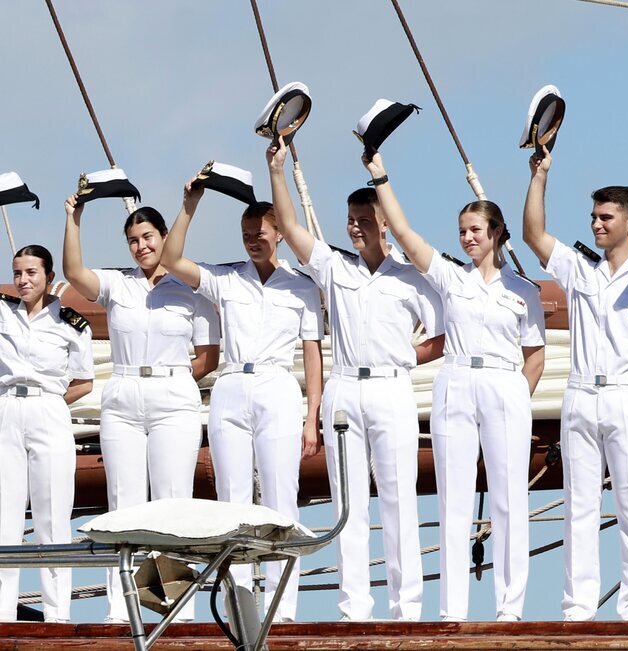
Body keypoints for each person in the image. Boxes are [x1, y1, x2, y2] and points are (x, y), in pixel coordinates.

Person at [266, 137, 444, 621]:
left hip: (391, 388)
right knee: (348, 506)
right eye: (351, 221)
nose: (355, 228)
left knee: (398, 500)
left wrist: (406, 357)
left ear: (384, 224)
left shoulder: (411, 278)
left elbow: (445, 337)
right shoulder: (333, 267)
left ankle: (406, 609)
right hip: (344, 388)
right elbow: (289, 227)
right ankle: (354, 609)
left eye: (364, 221)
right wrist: (277, 172)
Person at [363, 151, 545, 622]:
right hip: (456, 381)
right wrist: (380, 174)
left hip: (505, 383)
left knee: (509, 498)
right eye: (462, 231)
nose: (466, 238)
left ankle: (510, 609)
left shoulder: (523, 291)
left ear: (497, 234)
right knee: (454, 498)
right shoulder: (449, 277)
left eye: (475, 231)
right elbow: (404, 233)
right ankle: (452, 610)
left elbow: (536, 356)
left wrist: (516, 403)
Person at [524, 147, 628, 621]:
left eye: (606, 217)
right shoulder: (579, 268)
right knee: (578, 506)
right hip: (579, 394)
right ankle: (577, 607)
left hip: (625, 394)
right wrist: (540, 174)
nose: (596, 225)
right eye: (594, 217)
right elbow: (534, 233)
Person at [160, 182, 323, 623]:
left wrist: (312, 416)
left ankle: (282, 607)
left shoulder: (302, 288)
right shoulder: (227, 277)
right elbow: (171, 259)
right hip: (232, 383)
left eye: (260, 233)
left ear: (280, 234)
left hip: (277, 386)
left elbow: (312, 352)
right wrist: (188, 205)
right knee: (232, 500)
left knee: (279, 496)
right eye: (246, 233)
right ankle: (238, 602)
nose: (253, 240)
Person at [62, 196, 220, 622]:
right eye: (133, 240)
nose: (141, 246)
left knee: (173, 500)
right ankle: (121, 608)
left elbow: (208, 357)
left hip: (173, 395)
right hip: (125, 393)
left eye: (148, 237)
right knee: (123, 504)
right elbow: (73, 273)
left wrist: (172, 376)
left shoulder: (193, 291)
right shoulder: (118, 284)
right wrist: (73, 218)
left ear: (164, 237)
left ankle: (178, 609)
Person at [0, 245, 94, 622]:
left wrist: (51, 400)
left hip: (49, 409)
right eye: (17, 272)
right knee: (4, 513)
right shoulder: (3, 313)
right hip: (7, 407)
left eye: (31, 273)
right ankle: (4, 614)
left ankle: (57, 615)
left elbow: (85, 381)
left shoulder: (71, 324)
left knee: (52, 514)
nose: (23, 280)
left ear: (49, 278)